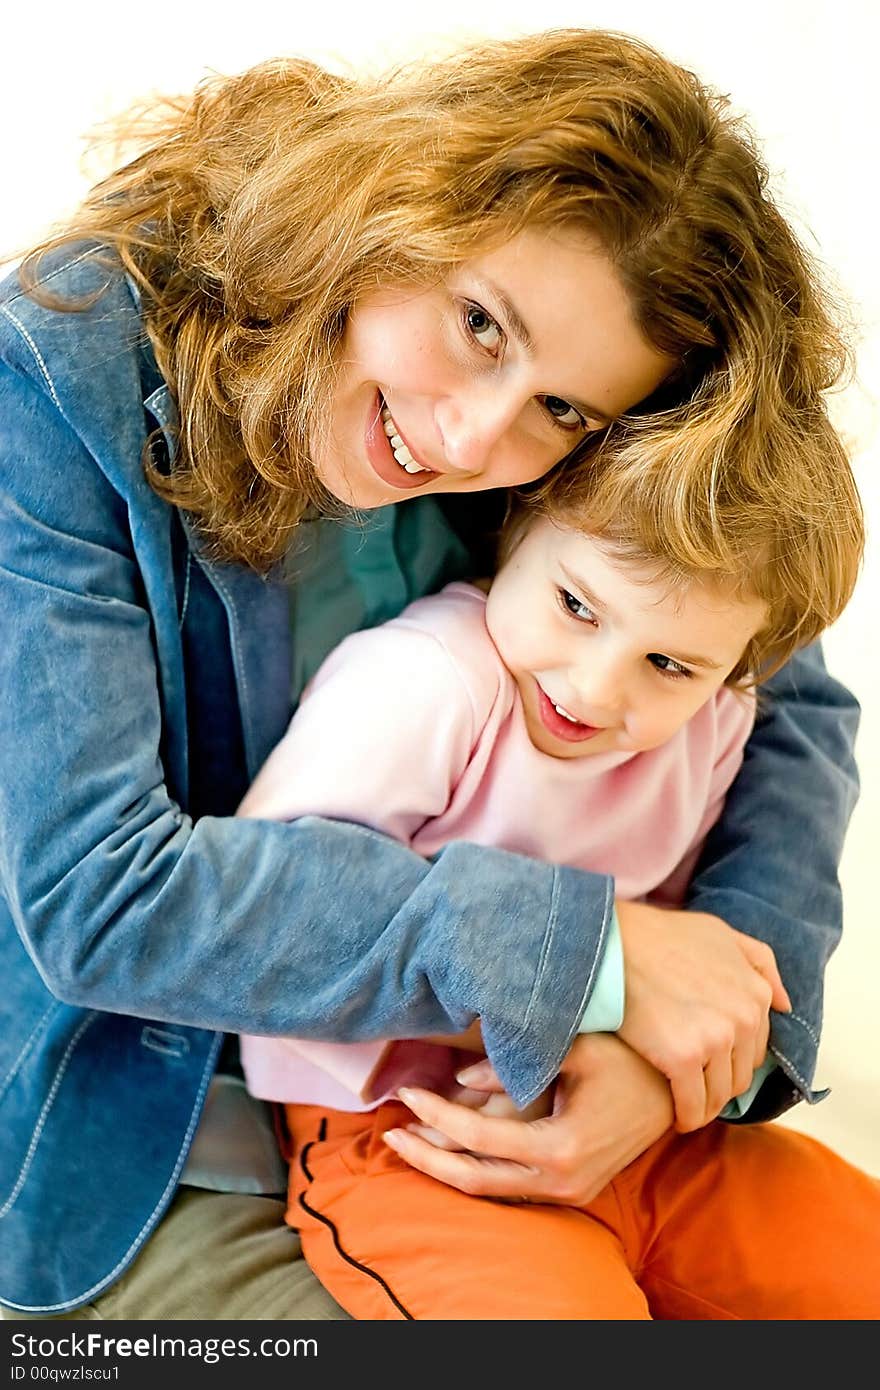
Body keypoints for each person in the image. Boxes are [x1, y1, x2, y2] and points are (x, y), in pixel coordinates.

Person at [0, 28, 866, 1320]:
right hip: (149, 1137)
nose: (473, 435)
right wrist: (592, 957)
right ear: (397, 203)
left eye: (562, 413)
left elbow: (779, 691)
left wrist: (687, 1054)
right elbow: (102, 897)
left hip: (524, 1096)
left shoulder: (564, 446)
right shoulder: (60, 375)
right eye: (477, 325)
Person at [234, 425, 877, 1319]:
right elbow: (265, 916)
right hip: (416, 1136)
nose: (596, 689)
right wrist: (581, 1011)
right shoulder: (425, 684)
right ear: (518, 529)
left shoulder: (716, 721)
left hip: (648, 1129)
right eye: (578, 606)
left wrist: (647, 1075)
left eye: (668, 663)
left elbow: (701, 960)